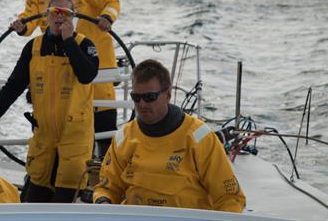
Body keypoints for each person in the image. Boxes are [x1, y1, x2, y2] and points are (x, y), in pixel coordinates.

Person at [0, 0, 99, 203]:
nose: (59, 17)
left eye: (65, 13)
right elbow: (12, 89)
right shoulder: (33, 48)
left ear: (73, 17)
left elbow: (87, 75)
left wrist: (68, 41)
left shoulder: (85, 45)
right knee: (31, 204)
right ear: (46, 16)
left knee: (64, 207)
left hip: (74, 138)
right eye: (54, 12)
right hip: (44, 139)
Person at [10, 0, 120, 159]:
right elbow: (29, 21)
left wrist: (107, 18)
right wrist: (21, 26)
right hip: (58, 75)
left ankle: (105, 177)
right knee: (59, 128)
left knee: (104, 131)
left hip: (95, 67)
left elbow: (112, 1)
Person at [93, 59, 245, 212]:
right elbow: (107, 188)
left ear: (168, 95)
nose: (142, 105)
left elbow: (229, 198)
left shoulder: (199, 138)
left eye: (150, 97)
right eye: (136, 98)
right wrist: (103, 202)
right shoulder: (124, 138)